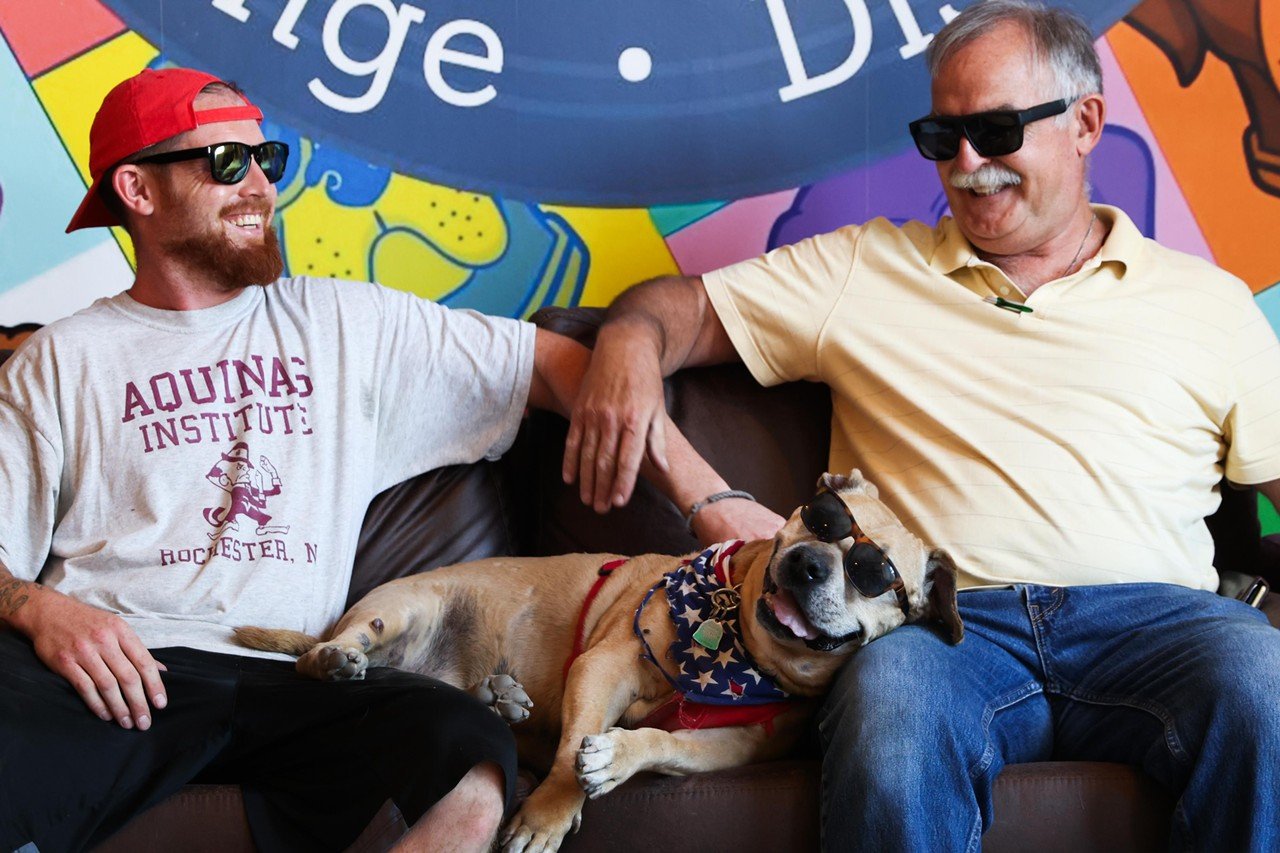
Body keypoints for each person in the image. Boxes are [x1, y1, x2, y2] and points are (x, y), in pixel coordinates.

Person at [564, 1, 1280, 849]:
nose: (968, 164)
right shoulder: (864, 268)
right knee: (891, 705)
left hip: (1160, 625)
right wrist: (627, 341)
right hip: (943, 628)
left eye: (999, 129)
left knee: (1263, 680)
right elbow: (671, 307)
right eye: (944, 137)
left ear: (1086, 122)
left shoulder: (1210, 304)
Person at [0, 66, 727, 853]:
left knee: (470, 757)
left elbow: (563, 369)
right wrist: (41, 608)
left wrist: (716, 505)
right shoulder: (60, 361)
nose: (259, 187)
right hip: (117, 674)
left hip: (299, 675)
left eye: (266, 161)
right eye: (225, 163)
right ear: (138, 191)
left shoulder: (348, 326)